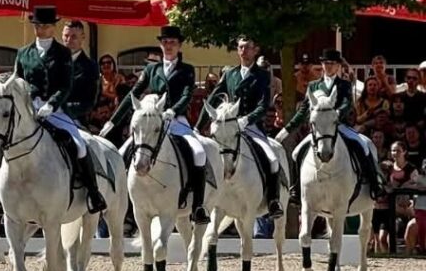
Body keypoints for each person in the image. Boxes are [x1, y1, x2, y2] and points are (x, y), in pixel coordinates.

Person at [103, 25, 208, 224]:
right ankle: (119, 199)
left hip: (176, 120)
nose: (169, 46)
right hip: (152, 122)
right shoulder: (152, 69)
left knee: (199, 152)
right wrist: (113, 121)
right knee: (123, 152)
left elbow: (187, 95)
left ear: (179, 46)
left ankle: (198, 206)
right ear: (161, 45)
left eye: (173, 43)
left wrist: (173, 110)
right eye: (165, 42)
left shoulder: (187, 70)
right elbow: (132, 95)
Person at [13, 8, 106, 214]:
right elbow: (17, 82)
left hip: (55, 111)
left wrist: (52, 105)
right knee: (7, 143)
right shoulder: (23, 53)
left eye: (45, 26)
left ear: (52, 27)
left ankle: (93, 192)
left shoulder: (63, 53)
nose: (40, 29)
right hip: (29, 109)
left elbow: (65, 86)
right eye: (37, 25)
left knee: (80, 145)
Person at [278, 49, 384, 202]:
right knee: (296, 153)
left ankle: (375, 185)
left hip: (340, 126)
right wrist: (287, 129)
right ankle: (296, 189)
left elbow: (347, 104)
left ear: (338, 66)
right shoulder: (313, 86)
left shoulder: (344, 84)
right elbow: (303, 110)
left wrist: (335, 115)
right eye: (325, 63)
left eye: (332, 64)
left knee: (364, 146)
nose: (328, 66)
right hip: (320, 131)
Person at [195, 36, 283, 218]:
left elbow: (263, 104)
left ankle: (273, 201)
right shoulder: (230, 74)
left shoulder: (262, 75)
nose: (244, 51)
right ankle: (201, 200)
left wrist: (247, 119)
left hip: (252, 127)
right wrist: (197, 126)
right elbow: (212, 100)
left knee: (272, 159)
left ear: (255, 50)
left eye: (248, 48)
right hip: (229, 127)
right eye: (241, 47)